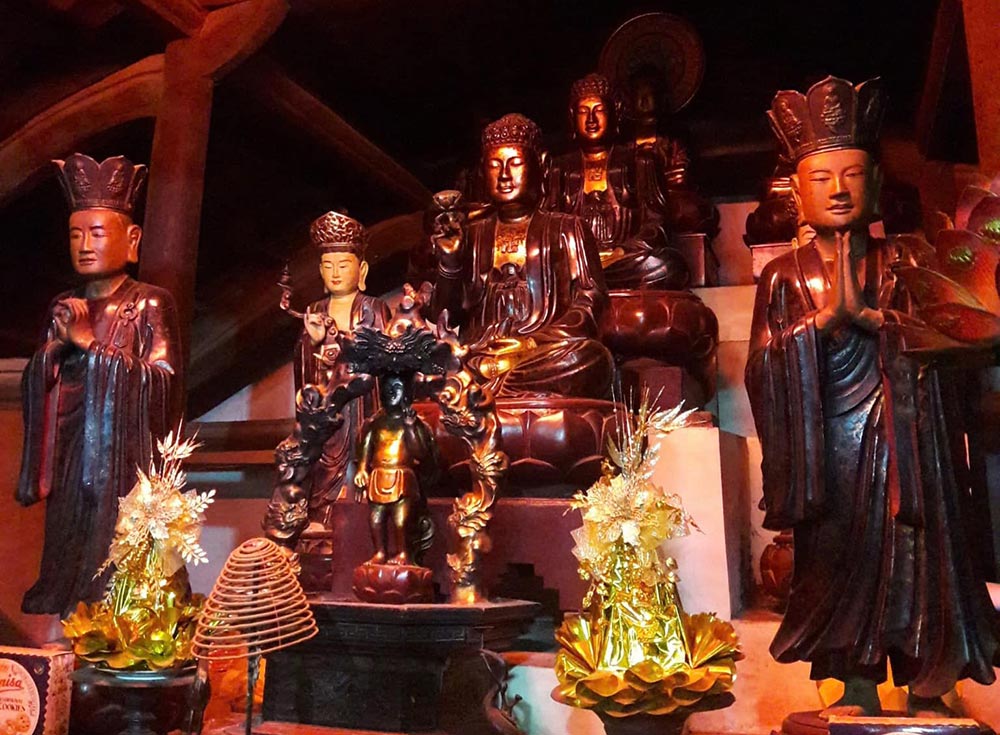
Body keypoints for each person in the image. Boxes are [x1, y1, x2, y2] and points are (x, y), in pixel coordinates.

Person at [745, 76, 999, 716]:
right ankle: (853, 681)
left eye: (853, 174)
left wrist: (880, 322)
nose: (838, 189)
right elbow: (761, 367)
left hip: (912, 435)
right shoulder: (782, 277)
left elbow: (950, 340)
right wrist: (818, 326)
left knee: (922, 551)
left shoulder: (909, 259)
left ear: (878, 185)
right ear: (797, 193)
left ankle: (928, 681)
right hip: (828, 441)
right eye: (821, 178)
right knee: (841, 555)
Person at [17, 153, 181, 616]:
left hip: (122, 460)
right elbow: (38, 384)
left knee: (114, 556)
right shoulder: (64, 304)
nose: (84, 245)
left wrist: (90, 344)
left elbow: (164, 383)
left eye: (97, 233)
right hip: (72, 452)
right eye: (75, 234)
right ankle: (66, 604)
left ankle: (112, 611)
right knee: (67, 536)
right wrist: (52, 354)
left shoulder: (148, 303)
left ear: (132, 240)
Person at [431, 113, 613, 399]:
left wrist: (530, 343)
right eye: (495, 165)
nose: (504, 175)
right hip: (477, 355)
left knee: (591, 359)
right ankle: (484, 385)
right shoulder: (471, 234)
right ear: (482, 171)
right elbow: (445, 315)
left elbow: (592, 302)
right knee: (427, 360)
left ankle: (479, 390)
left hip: (539, 353)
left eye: (515, 163)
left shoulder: (568, 228)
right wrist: (450, 264)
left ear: (541, 165)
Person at [264, 211, 390, 552]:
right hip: (326, 414)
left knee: (361, 464)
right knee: (321, 467)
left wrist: (343, 345)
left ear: (362, 271)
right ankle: (320, 520)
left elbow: (382, 358)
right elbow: (305, 364)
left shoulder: (374, 308)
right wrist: (314, 342)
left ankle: (363, 523)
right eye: (328, 265)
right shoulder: (315, 309)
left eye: (344, 265)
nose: (335, 273)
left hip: (361, 409)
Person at [547, 73, 689, 289]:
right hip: (576, 262)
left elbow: (656, 223)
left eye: (599, 110)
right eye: (583, 112)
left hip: (623, 260)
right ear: (572, 116)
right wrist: (574, 255)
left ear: (616, 113)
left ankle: (590, 281)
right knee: (544, 269)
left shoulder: (640, 160)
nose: (591, 119)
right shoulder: (559, 167)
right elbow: (549, 226)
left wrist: (623, 251)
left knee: (669, 265)